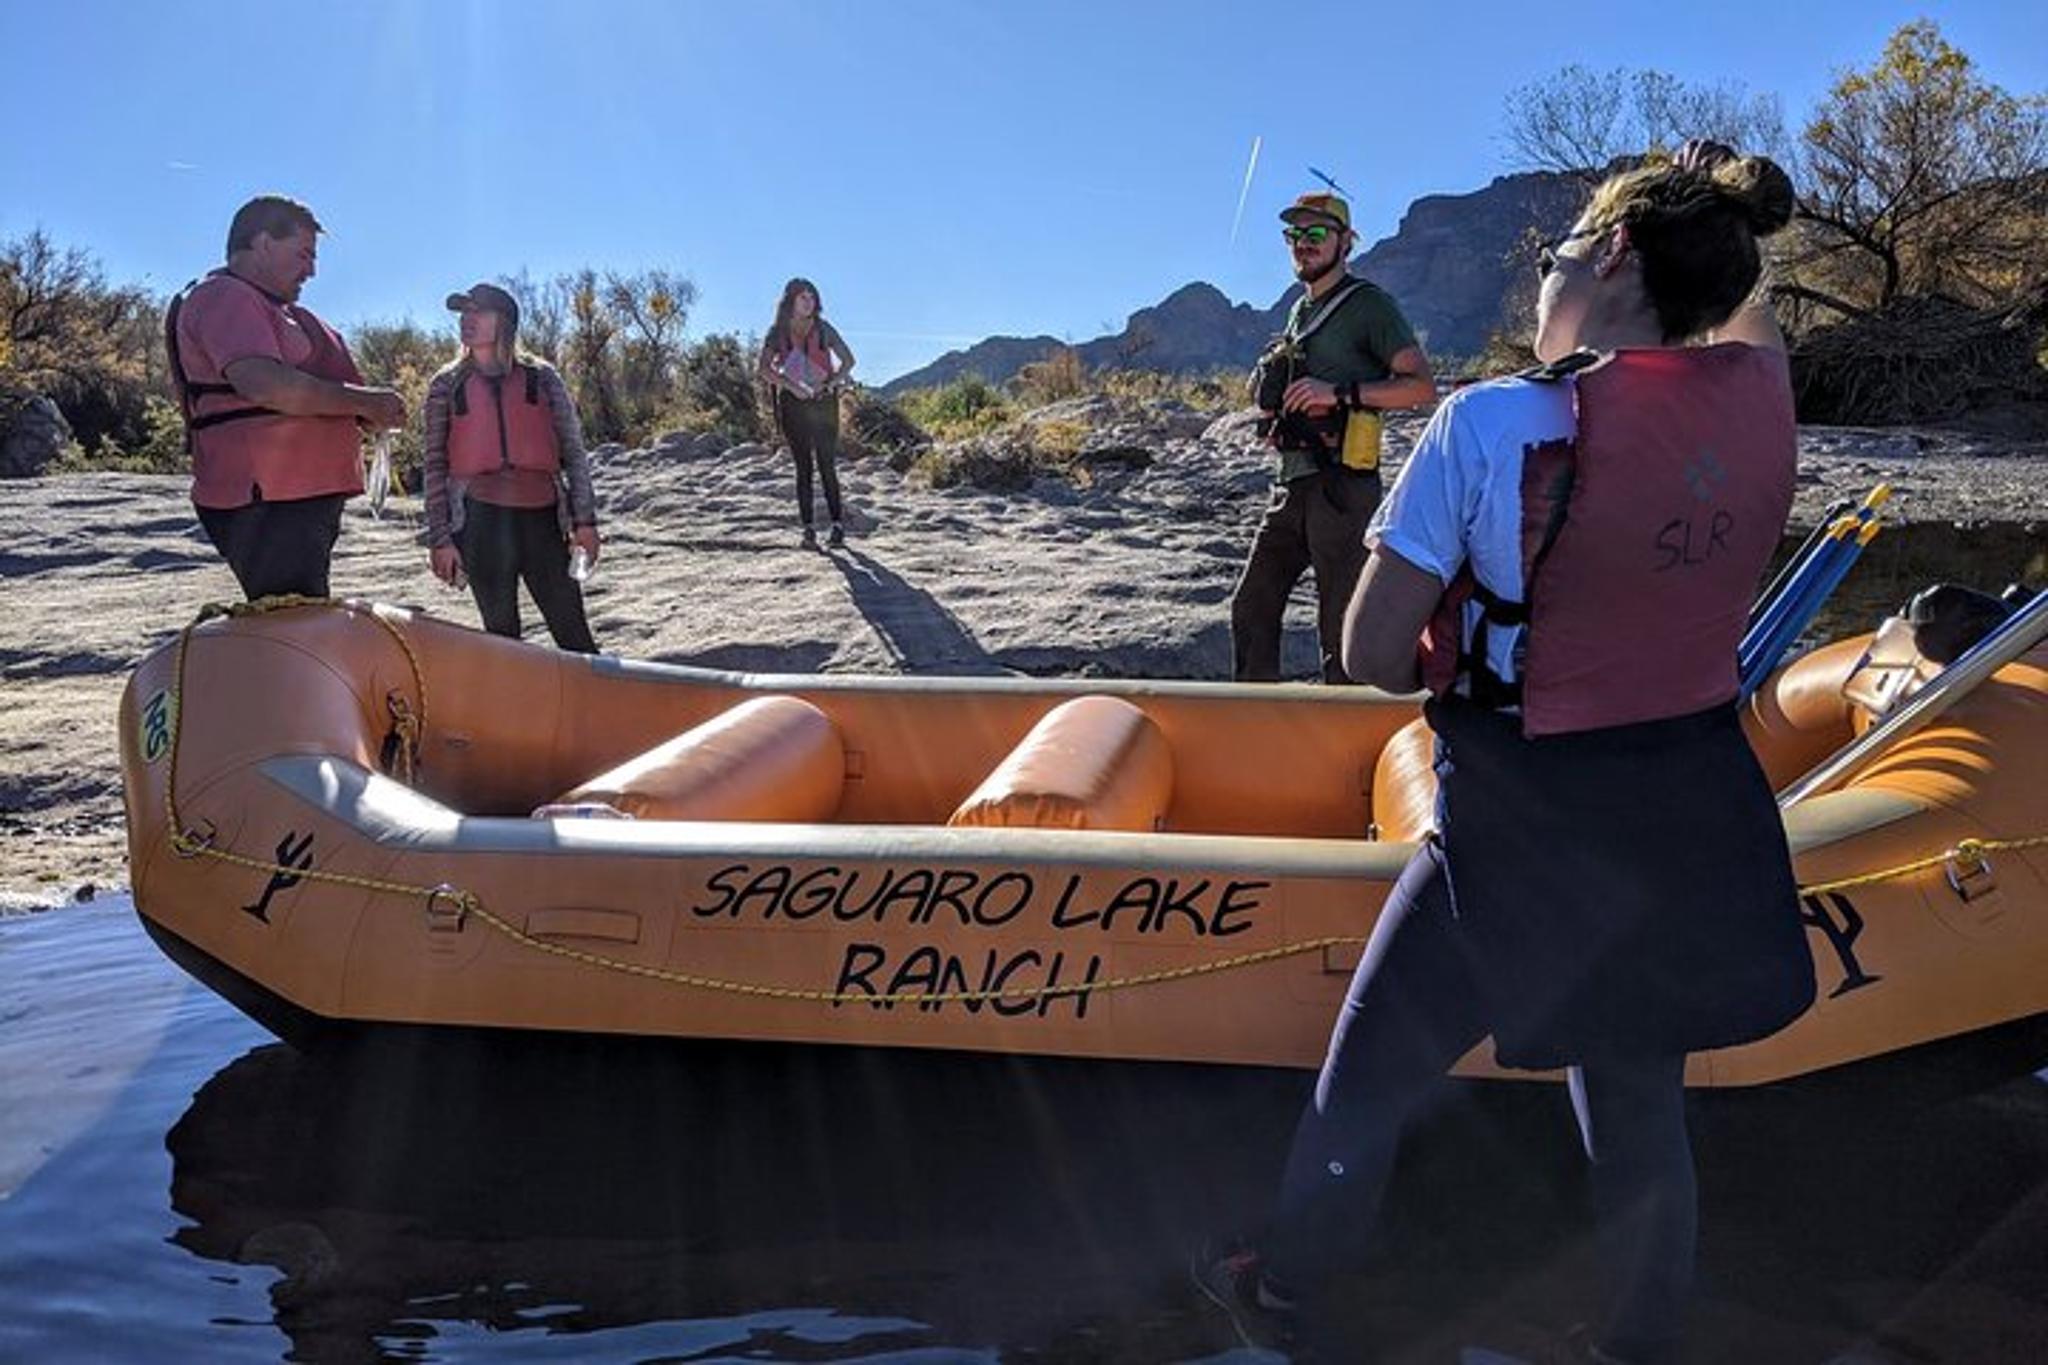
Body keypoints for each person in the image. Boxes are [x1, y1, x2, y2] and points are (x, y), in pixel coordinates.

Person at [1198, 143, 1816, 1363]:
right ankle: (1635, 1346)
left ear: (1613, 255)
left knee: (1367, 1077)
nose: (1542, 278)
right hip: (1687, 807)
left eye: (1555, 255)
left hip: (1520, 818)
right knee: (1635, 1106)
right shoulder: (1759, 397)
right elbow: (1746, 317)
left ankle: (1286, 1293)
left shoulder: (1484, 425)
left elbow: (1373, 655)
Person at [1231, 191, 1436, 683]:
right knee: (1252, 606)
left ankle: (1347, 726)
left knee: (1340, 629)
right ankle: (1252, 718)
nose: (1304, 243)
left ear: (1346, 242)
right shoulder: (1299, 312)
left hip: (1343, 490)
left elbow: (1420, 386)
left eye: (1317, 233)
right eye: (1295, 235)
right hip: (1290, 486)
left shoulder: (1369, 306)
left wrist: (1338, 393)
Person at [166, 195, 408, 600]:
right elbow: (265, 384)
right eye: (303, 255)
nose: (311, 270)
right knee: (292, 621)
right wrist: (364, 403)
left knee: (301, 615)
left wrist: (371, 411)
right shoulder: (223, 296)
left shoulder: (285, 312)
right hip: (267, 501)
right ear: (263, 244)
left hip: (294, 500)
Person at [421, 282, 601, 653]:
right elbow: (435, 465)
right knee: (503, 642)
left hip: (543, 522)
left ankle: (594, 692)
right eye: (463, 313)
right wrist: (440, 540)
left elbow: (574, 453)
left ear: (504, 322)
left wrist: (585, 522)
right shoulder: (446, 384)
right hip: (480, 524)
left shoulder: (543, 377)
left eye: (478, 312)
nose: (467, 320)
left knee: (574, 635)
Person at [758, 277, 857, 548]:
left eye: (812, 297)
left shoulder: (824, 329)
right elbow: (763, 368)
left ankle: (837, 527)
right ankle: (808, 529)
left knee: (827, 464)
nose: (809, 302)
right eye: (803, 297)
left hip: (824, 403)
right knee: (803, 467)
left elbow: (849, 360)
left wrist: (831, 383)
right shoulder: (777, 332)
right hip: (793, 404)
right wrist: (791, 386)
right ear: (791, 300)